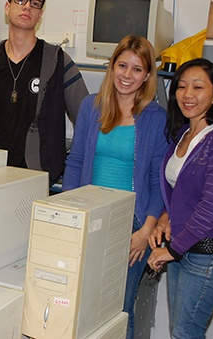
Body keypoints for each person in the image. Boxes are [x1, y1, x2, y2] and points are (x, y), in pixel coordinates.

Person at [62, 35, 168, 339]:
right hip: (90, 218)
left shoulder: (155, 118)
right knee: (82, 307)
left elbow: (157, 180)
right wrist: (69, 213)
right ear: (112, 66)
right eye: (122, 65)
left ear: (147, 76)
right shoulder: (91, 106)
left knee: (118, 310)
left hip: (131, 225)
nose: (127, 75)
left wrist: (146, 230)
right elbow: (76, 161)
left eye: (137, 69)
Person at [147, 58, 213, 339]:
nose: (187, 94)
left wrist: (172, 249)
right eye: (181, 87)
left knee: (185, 334)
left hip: (207, 255)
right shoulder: (184, 134)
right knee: (182, 333)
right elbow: (181, 191)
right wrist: (166, 218)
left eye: (198, 87)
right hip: (184, 249)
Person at [0, 0, 88, 182]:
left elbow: (86, 117)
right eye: (20, 0)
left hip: (36, 177)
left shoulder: (58, 62)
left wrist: (73, 168)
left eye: (35, 3)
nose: (27, 7)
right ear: (7, 7)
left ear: (40, 14)